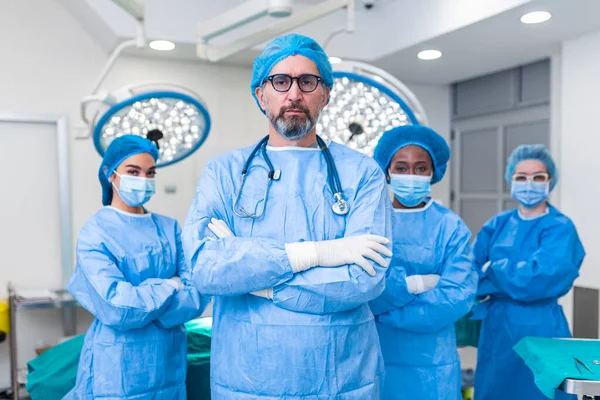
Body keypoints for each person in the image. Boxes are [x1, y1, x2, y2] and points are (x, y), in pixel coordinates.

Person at [182, 33, 392, 399]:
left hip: (341, 377)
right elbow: (205, 267)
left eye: (307, 82)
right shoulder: (224, 173)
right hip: (247, 378)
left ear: (325, 94)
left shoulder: (363, 173)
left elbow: (364, 279)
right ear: (261, 95)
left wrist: (256, 282)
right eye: (281, 81)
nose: (294, 94)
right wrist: (313, 255)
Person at [65, 135, 208, 399]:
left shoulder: (169, 229)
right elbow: (116, 307)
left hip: (168, 361)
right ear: (111, 175)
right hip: (116, 366)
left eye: (150, 172)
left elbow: (196, 295)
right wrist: (169, 285)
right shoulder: (96, 233)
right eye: (133, 171)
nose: (143, 179)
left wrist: (142, 300)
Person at [369, 125, 477, 400]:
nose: (411, 175)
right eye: (402, 168)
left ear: (433, 172)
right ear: (387, 171)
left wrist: (385, 310)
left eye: (420, 168)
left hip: (433, 363)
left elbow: (456, 296)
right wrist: (418, 284)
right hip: (374, 355)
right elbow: (362, 287)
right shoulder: (369, 223)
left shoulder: (449, 226)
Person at [473, 144, 585, 400]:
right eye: (521, 177)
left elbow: (539, 281)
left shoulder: (560, 228)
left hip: (542, 325)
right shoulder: (497, 225)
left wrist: (495, 269)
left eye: (538, 177)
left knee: (542, 391)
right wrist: (502, 275)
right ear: (510, 180)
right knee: (496, 391)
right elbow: (472, 274)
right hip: (498, 330)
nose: (529, 183)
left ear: (550, 181)